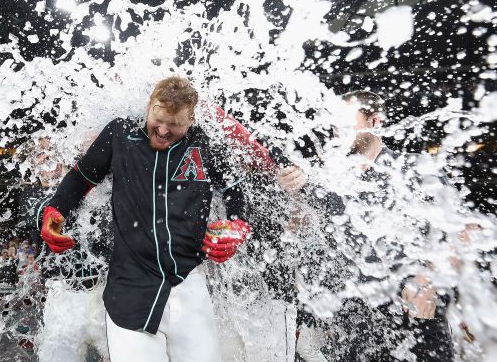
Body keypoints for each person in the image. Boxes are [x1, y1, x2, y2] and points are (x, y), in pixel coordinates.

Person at [40, 76, 252, 361]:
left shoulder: (206, 141)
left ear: (191, 118)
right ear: (149, 105)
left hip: (187, 285)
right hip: (129, 287)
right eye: (158, 118)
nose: (163, 131)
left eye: (175, 124)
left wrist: (238, 226)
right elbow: (80, 177)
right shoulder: (119, 133)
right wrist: (56, 210)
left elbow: (236, 190)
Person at [278, 90, 454, 362]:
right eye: (335, 125)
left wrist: (427, 280)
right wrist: (296, 194)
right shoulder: (326, 180)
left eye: (347, 124)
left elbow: (457, 233)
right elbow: (299, 236)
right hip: (351, 323)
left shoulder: (414, 169)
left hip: (412, 315)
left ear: (375, 122)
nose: (338, 132)